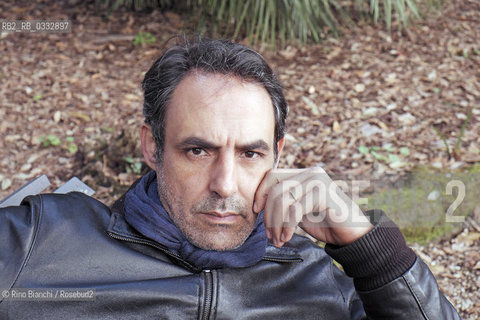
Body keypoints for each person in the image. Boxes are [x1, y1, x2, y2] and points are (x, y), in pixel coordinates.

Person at [0, 37, 460, 319]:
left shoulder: (316, 280)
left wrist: (368, 249)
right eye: (197, 150)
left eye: (250, 153)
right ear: (151, 147)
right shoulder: (40, 244)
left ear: (278, 156)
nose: (225, 183)